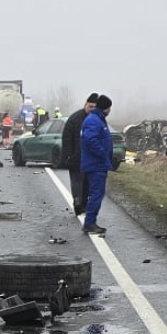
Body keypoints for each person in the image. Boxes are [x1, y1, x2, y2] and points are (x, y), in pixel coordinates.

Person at [80, 94, 113, 234]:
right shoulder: (94, 120)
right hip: (95, 164)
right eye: (109, 108)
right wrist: (102, 154)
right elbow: (90, 140)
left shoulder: (98, 119)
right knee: (96, 194)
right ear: (106, 108)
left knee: (96, 193)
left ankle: (91, 221)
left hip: (97, 163)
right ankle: (89, 223)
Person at [61, 93, 98, 216]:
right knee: (77, 182)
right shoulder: (75, 119)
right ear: (85, 105)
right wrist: (67, 155)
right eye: (90, 106)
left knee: (87, 183)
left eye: (94, 107)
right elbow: (66, 138)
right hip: (76, 157)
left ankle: (84, 205)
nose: (92, 109)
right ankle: (77, 203)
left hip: (90, 158)